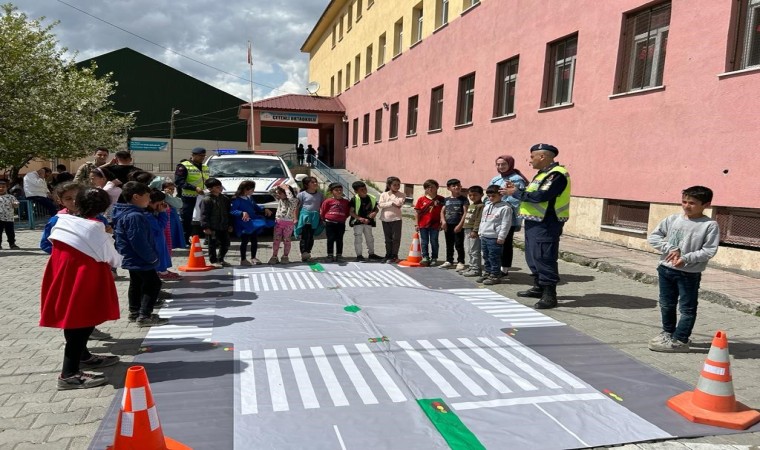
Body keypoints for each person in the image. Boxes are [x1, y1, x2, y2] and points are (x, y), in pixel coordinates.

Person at [40, 188, 122, 390]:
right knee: (81, 323)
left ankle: (83, 356)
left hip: (63, 275)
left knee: (74, 320)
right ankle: (69, 374)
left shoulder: (62, 220)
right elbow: (113, 258)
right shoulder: (95, 227)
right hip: (84, 279)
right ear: (103, 208)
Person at [647, 186, 720, 353]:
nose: (687, 206)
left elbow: (709, 250)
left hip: (689, 274)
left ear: (706, 205)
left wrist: (686, 258)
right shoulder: (673, 219)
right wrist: (670, 248)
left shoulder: (709, 225)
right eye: (684, 201)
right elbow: (654, 237)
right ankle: (668, 332)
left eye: (692, 203)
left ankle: (681, 339)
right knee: (666, 304)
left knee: (687, 308)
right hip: (666, 270)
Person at [504, 143, 571, 309]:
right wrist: (519, 189)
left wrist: (516, 193)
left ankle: (550, 295)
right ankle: (539, 286)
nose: (530, 161)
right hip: (534, 221)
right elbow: (533, 193)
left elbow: (541, 195)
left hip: (547, 222)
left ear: (543, 156)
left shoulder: (556, 174)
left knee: (544, 257)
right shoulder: (542, 175)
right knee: (533, 256)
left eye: (532, 156)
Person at [112, 182, 168, 327]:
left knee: (136, 283)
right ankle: (144, 316)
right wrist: (152, 257)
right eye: (147, 196)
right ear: (136, 197)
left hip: (132, 257)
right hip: (140, 258)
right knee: (153, 283)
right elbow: (138, 241)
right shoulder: (135, 216)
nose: (149, 200)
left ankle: (135, 312)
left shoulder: (125, 212)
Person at [489, 154, 529, 275]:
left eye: (504, 164)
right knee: (494, 240)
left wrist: (502, 204)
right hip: (494, 216)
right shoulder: (495, 179)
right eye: (498, 164)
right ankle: (493, 266)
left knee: (505, 242)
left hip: (508, 216)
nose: (501, 166)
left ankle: (504, 268)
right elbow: (489, 194)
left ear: (510, 164)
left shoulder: (516, 179)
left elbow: (517, 198)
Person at [231, 181, 273, 266]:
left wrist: (264, 209)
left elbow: (255, 207)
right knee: (245, 241)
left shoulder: (249, 197)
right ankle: (243, 259)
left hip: (252, 222)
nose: (253, 191)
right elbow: (232, 211)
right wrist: (241, 213)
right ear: (246, 189)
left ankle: (253, 257)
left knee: (254, 240)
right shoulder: (237, 199)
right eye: (252, 189)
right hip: (243, 224)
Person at [477, 185, 513, 285]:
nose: (491, 198)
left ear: (500, 195)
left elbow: (506, 224)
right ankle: (487, 272)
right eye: (489, 196)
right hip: (484, 235)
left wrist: (501, 237)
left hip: (495, 237)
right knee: (486, 256)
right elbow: (483, 220)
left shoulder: (505, 208)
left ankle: (495, 275)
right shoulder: (487, 206)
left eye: (493, 196)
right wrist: (480, 232)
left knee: (494, 257)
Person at [175, 147, 209, 245]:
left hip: (203, 196)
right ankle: (185, 240)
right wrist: (194, 188)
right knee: (187, 218)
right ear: (193, 155)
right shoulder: (183, 166)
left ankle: (207, 238)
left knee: (204, 217)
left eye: (204, 156)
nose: (202, 158)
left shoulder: (205, 167)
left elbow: (206, 180)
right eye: (200, 156)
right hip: (188, 196)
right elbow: (179, 181)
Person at [40, 182, 85, 254]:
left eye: (78, 197)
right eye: (68, 199)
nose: (74, 201)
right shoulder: (57, 220)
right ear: (61, 201)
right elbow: (45, 244)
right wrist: (64, 253)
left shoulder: (95, 217)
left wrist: (108, 231)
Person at [146, 190, 179, 281]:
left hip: (158, 240)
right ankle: (159, 273)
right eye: (159, 203)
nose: (161, 205)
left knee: (161, 256)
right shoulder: (147, 215)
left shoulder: (151, 213)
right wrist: (163, 213)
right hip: (154, 241)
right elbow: (160, 227)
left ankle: (161, 271)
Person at [200, 178, 232, 267]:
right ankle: (213, 261)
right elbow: (204, 214)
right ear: (210, 189)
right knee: (212, 245)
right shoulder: (207, 200)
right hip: (212, 227)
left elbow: (229, 212)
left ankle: (220, 259)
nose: (220, 188)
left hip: (224, 225)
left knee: (226, 244)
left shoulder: (225, 199)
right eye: (217, 187)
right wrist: (205, 227)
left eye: (220, 186)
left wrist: (230, 224)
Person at [439, 179, 469, 270]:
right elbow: (442, 211)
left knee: (459, 244)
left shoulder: (463, 199)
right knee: (449, 244)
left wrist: (460, 225)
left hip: (458, 225)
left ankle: (461, 261)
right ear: (449, 188)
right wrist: (443, 221)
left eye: (458, 185)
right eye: (454, 186)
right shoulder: (446, 199)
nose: (457, 187)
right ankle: (449, 260)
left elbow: (465, 212)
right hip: (448, 225)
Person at [414, 179, 444, 267]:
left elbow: (444, 212)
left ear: (437, 187)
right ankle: (425, 257)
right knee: (424, 241)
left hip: (435, 224)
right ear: (425, 189)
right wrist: (416, 224)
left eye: (432, 187)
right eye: (428, 187)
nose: (430, 189)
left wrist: (442, 223)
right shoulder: (421, 199)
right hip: (423, 224)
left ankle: (434, 257)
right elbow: (417, 213)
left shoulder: (441, 199)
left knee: (434, 241)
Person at [349, 180, 382, 261]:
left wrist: (374, 213)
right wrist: (360, 218)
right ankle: (359, 255)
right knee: (358, 238)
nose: (364, 191)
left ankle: (371, 254)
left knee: (370, 238)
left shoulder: (372, 198)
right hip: (357, 223)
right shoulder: (354, 199)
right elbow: (351, 212)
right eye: (361, 190)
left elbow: (376, 209)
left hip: (368, 222)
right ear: (356, 191)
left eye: (365, 188)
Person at [295, 176, 324, 261]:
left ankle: (308, 252)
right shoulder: (301, 195)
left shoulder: (320, 195)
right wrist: (295, 218)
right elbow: (296, 208)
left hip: (315, 217)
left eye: (316, 182)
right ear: (306, 185)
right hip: (305, 217)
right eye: (312, 182)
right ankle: (303, 253)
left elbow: (322, 207)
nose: (315, 183)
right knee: (304, 235)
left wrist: (322, 217)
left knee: (311, 235)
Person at [269, 185, 299, 264]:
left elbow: (291, 198)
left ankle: (285, 256)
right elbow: (270, 191)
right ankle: (274, 256)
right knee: (276, 240)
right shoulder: (280, 199)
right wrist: (278, 186)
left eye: (280, 193)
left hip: (288, 224)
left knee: (287, 240)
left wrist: (286, 189)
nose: (278, 195)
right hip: (278, 223)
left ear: (286, 193)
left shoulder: (294, 200)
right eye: (277, 193)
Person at [320, 182, 350, 262]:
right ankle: (330, 255)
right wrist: (324, 220)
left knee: (339, 239)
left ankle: (339, 255)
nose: (339, 192)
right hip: (330, 223)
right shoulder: (328, 201)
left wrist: (342, 218)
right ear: (332, 191)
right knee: (330, 239)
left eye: (340, 190)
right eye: (336, 190)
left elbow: (347, 212)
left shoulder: (346, 202)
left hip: (340, 223)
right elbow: (323, 211)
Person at [378, 176, 405, 263]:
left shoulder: (402, 194)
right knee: (387, 238)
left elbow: (399, 203)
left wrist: (390, 203)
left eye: (398, 185)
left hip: (396, 219)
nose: (397, 186)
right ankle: (388, 254)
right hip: (385, 219)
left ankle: (394, 255)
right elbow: (380, 205)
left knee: (396, 238)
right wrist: (391, 203)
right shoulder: (383, 194)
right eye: (395, 185)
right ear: (389, 185)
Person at [461, 186, 485, 278]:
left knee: (474, 250)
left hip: (473, 231)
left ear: (481, 195)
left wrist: (475, 230)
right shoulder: (472, 205)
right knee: (469, 250)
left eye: (475, 195)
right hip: (467, 230)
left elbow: (478, 219)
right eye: (470, 195)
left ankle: (476, 269)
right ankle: (471, 266)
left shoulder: (481, 206)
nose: (472, 197)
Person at [162, 181, 186, 250]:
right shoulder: (162, 196)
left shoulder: (174, 197)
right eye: (169, 188)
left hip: (173, 218)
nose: (171, 190)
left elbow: (179, 205)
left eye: (173, 189)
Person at [0, 180, 20, 250]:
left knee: (10, 232)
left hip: (9, 218)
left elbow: (16, 203)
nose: (1, 188)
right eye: (0, 187)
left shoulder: (11, 197)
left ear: (6, 188)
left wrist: (15, 204)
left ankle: (12, 244)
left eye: (3, 187)